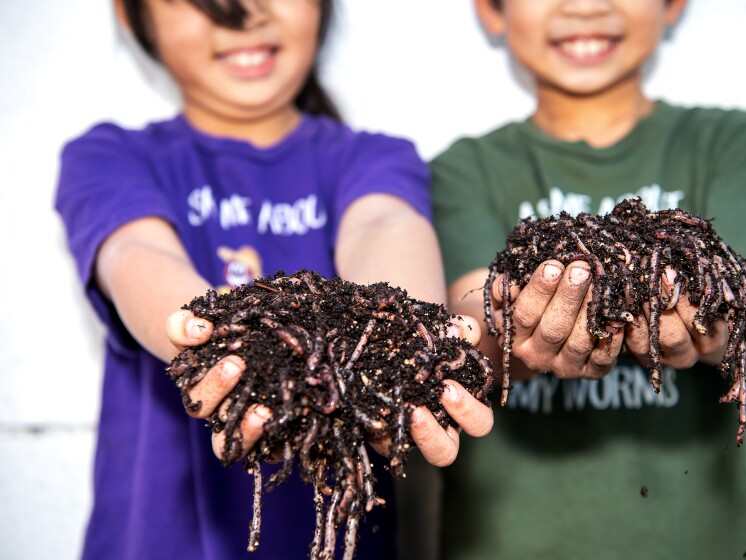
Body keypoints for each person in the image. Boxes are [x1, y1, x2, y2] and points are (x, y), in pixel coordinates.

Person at [55, 1, 493, 558]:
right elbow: (137, 254)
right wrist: (229, 345)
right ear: (130, 14)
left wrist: (401, 347)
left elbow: (384, 226)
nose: (244, 14)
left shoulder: (374, 157)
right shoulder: (111, 157)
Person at [429, 0, 746, 558]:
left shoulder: (735, 142)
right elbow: (474, 324)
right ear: (491, 12)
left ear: (673, 6)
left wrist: (714, 320)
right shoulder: (462, 169)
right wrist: (515, 333)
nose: (585, 6)